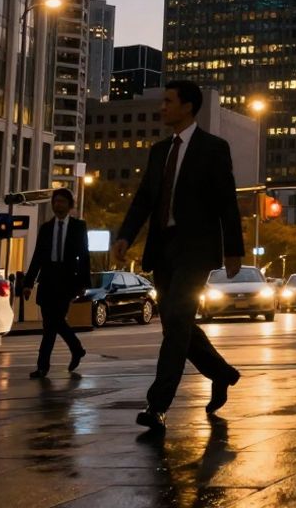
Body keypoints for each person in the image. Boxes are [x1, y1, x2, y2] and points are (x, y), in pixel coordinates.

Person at [111, 80, 244, 432]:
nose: (161, 107)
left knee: (178, 317)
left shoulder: (214, 148)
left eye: (167, 101)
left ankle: (157, 405)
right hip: (162, 247)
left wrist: (234, 250)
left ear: (187, 106)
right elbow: (143, 199)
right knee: (175, 323)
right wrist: (125, 235)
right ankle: (222, 373)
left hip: (196, 249)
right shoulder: (159, 151)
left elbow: (227, 202)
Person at [21, 188, 90, 378]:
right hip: (48, 280)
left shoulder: (78, 227)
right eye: (55, 201)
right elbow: (38, 257)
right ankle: (76, 349)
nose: (57, 205)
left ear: (69, 205)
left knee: (53, 323)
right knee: (50, 324)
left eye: (61, 201)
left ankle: (44, 366)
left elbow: (84, 256)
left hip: (66, 281)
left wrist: (84, 283)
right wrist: (28, 283)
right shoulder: (46, 228)